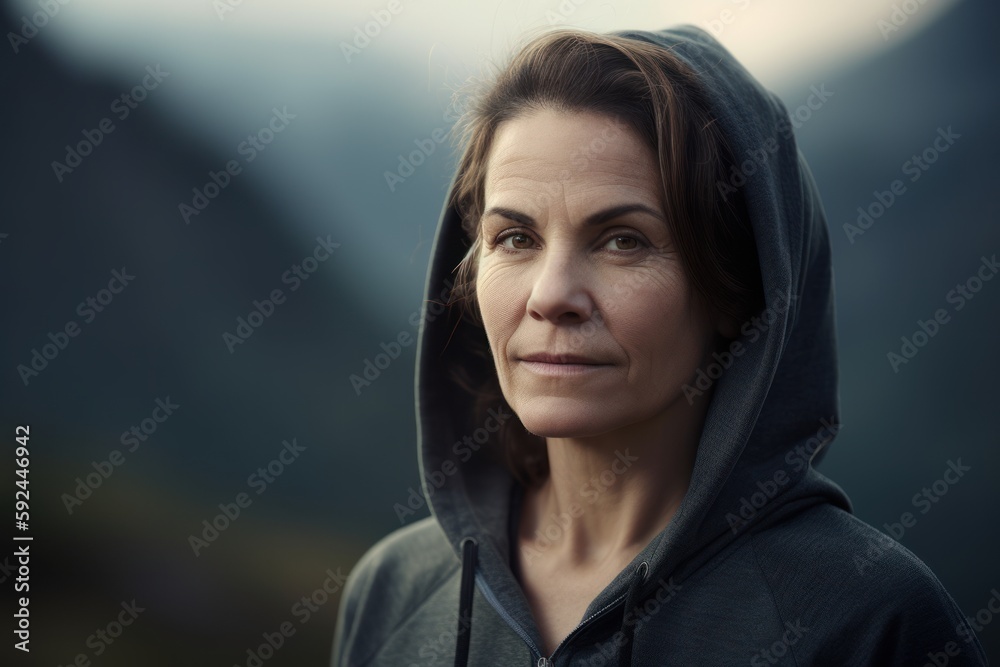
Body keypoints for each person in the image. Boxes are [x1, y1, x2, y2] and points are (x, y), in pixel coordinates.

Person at [331, 25, 989, 667]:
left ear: (736, 290)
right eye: (516, 238)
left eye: (624, 240)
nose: (552, 294)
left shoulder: (869, 620)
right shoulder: (393, 591)